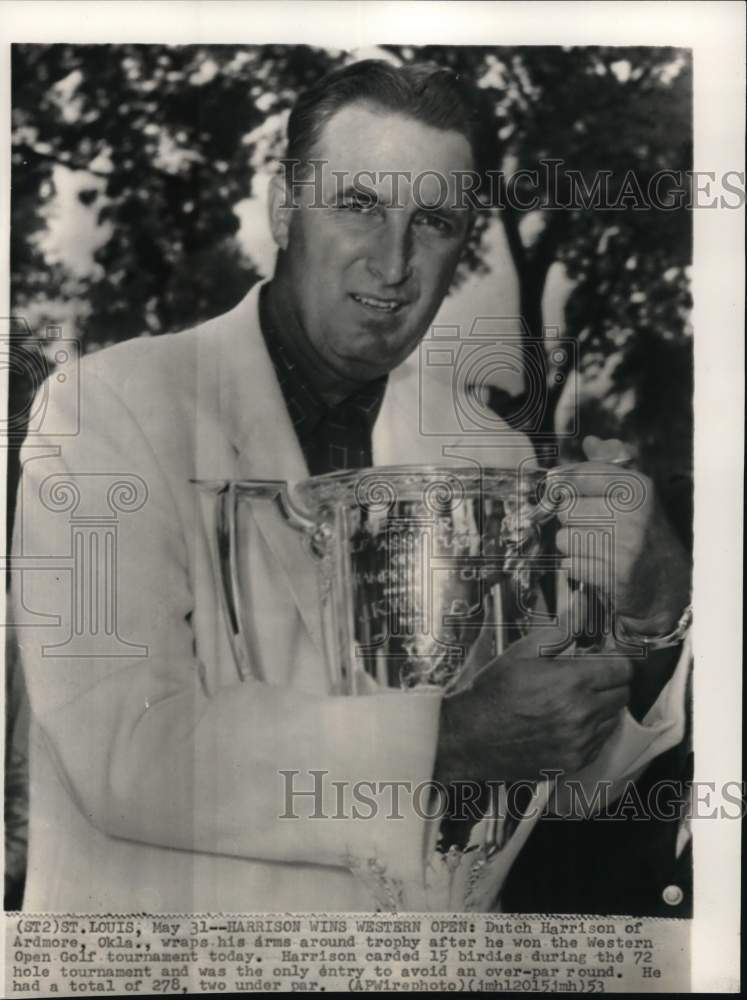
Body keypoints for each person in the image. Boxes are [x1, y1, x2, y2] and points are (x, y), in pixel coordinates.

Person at [11, 60, 691, 912]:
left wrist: (653, 620)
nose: (393, 261)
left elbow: (558, 777)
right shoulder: (105, 409)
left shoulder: (496, 457)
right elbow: (126, 751)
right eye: (359, 204)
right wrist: (448, 740)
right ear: (284, 207)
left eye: (433, 220)